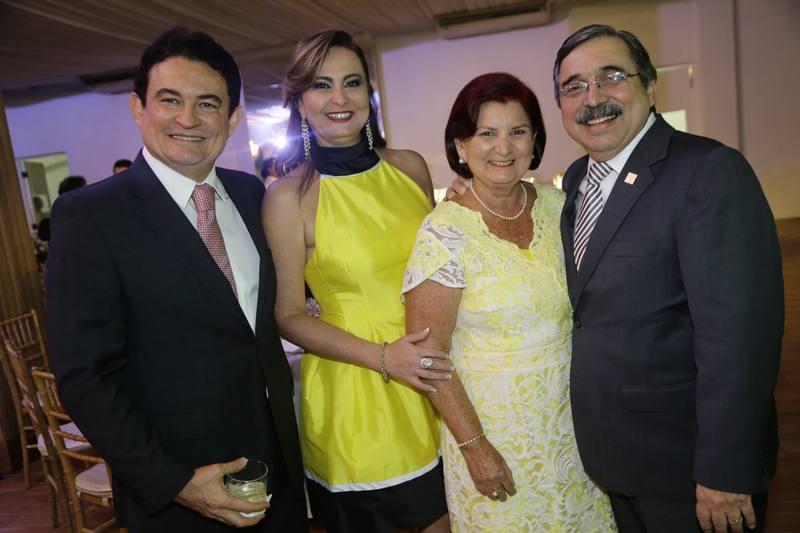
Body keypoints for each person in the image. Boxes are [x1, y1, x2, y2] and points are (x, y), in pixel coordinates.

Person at [46, 26, 307, 532]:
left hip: (276, 476)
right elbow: (86, 378)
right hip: (177, 496)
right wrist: (176, 483)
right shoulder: (90, 216)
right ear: (138, 108)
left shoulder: (252, 195)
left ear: (232, 119)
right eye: (170, 100)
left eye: (207, 103)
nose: (188, 118)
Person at [404, 72, 615, 532]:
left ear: (534, 141)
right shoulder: (443, 233)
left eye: (517, 131)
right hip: (495, 442)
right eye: (487, 133)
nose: (504, 147)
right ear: (460, 145)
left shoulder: (559, 206)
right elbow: (427, 357)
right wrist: (475, 448)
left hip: (577, 434)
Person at [263, 30, 451, 533]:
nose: (339, 99)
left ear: (369, 92)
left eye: (351, 82)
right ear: (299, 101)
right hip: (358, 391)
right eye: (321, 85)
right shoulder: (287, 198)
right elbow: (288, 315)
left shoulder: (409, 167)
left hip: (436, 377)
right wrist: (385, 357)